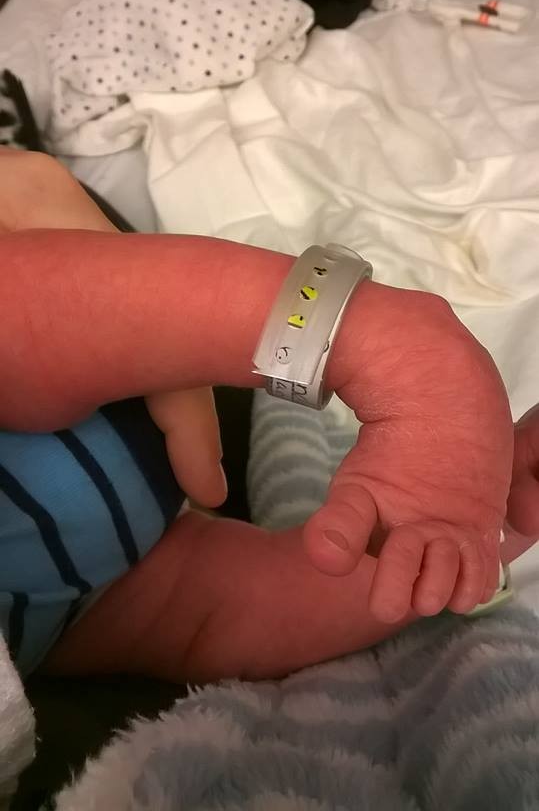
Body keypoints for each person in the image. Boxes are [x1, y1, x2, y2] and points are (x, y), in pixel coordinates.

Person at [0, 148, 537, 684]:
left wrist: (377, 342)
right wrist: (446, 548)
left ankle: (366, 332)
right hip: (116, 567)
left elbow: (30, 314)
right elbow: (208, 616)